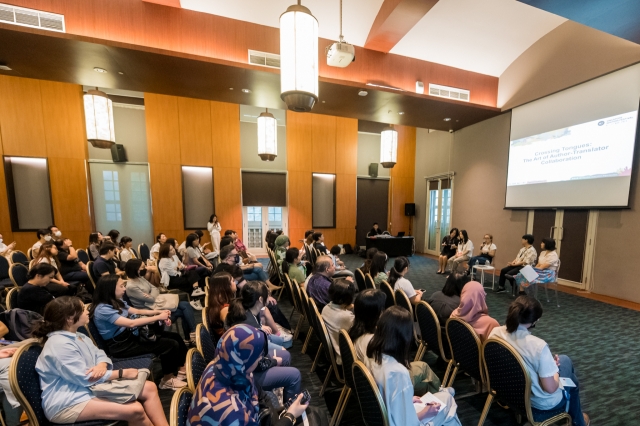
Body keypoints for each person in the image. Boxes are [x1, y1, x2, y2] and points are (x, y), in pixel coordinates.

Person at [33, 296, 168, 426]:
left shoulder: (77, 335)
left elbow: (100, 354)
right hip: (66, 402)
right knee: (135, 410)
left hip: (87, 388)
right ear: (69, 318)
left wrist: (101, 365)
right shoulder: (59, 344)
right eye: (82, 309)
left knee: (149, 387)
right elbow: (84, 377)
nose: (87, 311)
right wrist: (121, 373)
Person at [489, 296, 589, 426]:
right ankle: (578, 421)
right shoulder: (538, 347)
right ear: (534, 321)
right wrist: (555, 370)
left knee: (571, 377)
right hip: (538, 404)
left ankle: (577, 419)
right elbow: (550, 388)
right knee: (566, 364)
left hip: (507, 391)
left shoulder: (495, 333)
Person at [187, 325, 309, 426]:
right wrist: (290, 416)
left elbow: (257, 392)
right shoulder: (233, 415)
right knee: (315, 416)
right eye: (258, 355)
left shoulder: (220, 365)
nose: (261, 358)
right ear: (244, 360)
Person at [365, 307, 461, 426]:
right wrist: (426, 412)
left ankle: (445, 393)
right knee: (449, 401)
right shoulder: (397, 372)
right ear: (404, 337)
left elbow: (386, 397)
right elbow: (407, 423)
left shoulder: (372, 355)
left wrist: (407, 400)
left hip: (386, 417)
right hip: (402, 422)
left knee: (445, 400)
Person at [90, 274, 188, 390]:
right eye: (121, 286)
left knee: (175, 337)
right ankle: (166, 380)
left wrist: (159, 311)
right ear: (110, 289)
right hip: (121, 346)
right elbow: (131, 323)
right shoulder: (102, 309)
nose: (124, 289)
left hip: (130, 336)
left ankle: (182, 368)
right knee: (169, 345)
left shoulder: (116, 301)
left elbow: (136, 310)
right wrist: (158, 317)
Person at [350, 290, 441, 395]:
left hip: (376, 380)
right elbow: (391, 373)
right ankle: (439, 396)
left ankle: (439, 393)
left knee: (423, 368)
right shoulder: (375, 342)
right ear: (377, 313)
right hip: (388, 384)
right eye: (383, 309)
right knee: (426, 377)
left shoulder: (356, 329)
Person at [125, 259, 196, 345]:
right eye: (143, 267)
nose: (146, 269)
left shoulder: (140, 278)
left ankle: (191, 335)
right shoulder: (131, 287)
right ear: (135, 269)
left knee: (185, 305)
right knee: (184, 308)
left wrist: (150, 294)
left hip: (157, 305)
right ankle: (191, 335)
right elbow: (151, 299)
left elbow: (155, 289)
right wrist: (152, 295)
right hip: (150, 311)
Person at [226, 281, 292, 350]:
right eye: (268, 294)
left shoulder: (250, 310)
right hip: (249, 351)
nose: (269, 297)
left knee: (284, 342)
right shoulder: (251, 324)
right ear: (260, 299)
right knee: (285, 353)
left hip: (251, 343)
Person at [157, 243, 203, 309]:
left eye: (173, 248)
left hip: (179, 275)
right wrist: (179, 267)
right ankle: (194, 299)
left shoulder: (174, 256)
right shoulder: (164, 261)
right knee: (190, 280)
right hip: (172, 280)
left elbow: (182, 265)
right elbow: (172, 273)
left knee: (193, 273)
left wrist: (178, 267)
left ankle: (196, 291)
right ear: (166, 252)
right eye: (171, 250)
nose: (173, 250)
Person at [321, 279, 356, 364]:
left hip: (333, 348)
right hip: (344, 355)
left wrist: (345, 307)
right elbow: (358, 330)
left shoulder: (326, 307)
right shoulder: (346, 317)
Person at [205, 272, 236, 338]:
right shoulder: (225, 309)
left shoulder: (217, 301)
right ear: (226, 286)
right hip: (228, 342)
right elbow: (233, 331)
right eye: (233, 281)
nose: (235, 283)